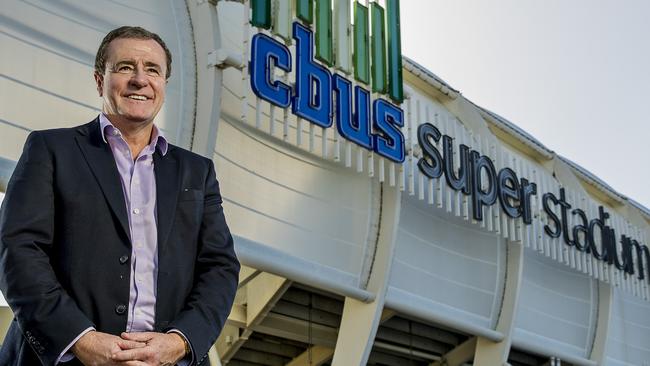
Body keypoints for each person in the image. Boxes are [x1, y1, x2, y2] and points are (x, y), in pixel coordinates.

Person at [0, 26, 240, 365]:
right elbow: (18, 250)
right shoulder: (50, 150)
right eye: (126, 67)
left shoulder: (196, 172)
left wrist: (179, 342)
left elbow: (220, 267)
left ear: (163, 86)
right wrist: (81, 340)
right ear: (100, 80)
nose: (140, 79)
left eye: (152, 70)